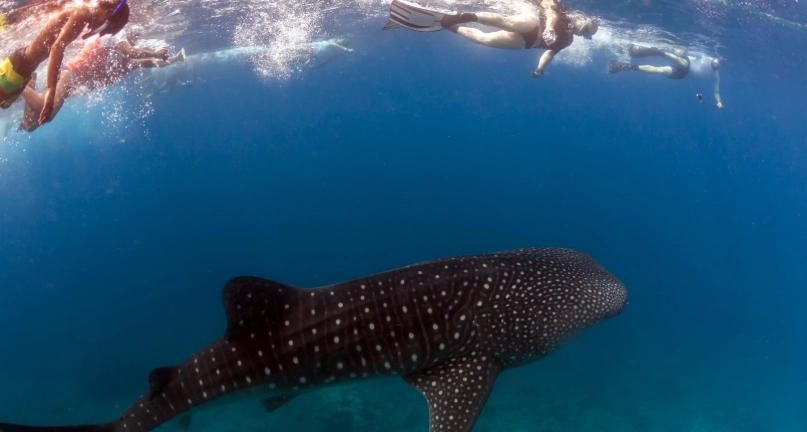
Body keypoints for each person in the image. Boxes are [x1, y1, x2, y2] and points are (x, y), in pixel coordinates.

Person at [19, 30, 185, 132]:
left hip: (75, 83)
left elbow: (149, 62)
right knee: (47, 114)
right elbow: (130, 51)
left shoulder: (117, 62)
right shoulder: (116, 33)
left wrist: (174, 58)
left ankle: (29, 81)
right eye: (135, 35)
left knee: (30, 124)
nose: (135, 36)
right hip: (68, 73)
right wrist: (155, 53)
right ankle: (22, 85)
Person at [384, 0, 598, 77]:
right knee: (510, 22)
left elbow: (550, 53)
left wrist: (540, 68)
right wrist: (550, 29)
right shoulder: (560, 11)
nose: (583, 31)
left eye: (586, 33)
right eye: (585, 27)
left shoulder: (567, 42)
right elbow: (551, 14)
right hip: (535, 23)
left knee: (484, 40)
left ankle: (450, 26)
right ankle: (465, 16)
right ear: (582, 20)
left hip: (527, 43)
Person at [0, 0, 130, 123]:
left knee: (5, 104)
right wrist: (51, 91)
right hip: (19, 65)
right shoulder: (83, 12)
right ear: (107, 13)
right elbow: (57, 47)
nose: (100, 34)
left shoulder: (84, 15)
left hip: (26, 68)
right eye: (105, 29)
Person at [608, 44, 725, 109]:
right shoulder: (704, 57)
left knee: (658, 71)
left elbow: (716, 91)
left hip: (682, 74)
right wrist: (683, 51)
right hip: (686, 63)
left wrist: (719, 101)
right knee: (682, 63)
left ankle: (625, 66)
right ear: (714, 59)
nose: (715, 65)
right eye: (715, 62)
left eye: (717, 65)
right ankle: (658, 52)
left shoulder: (715, 75)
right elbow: (688, 53)